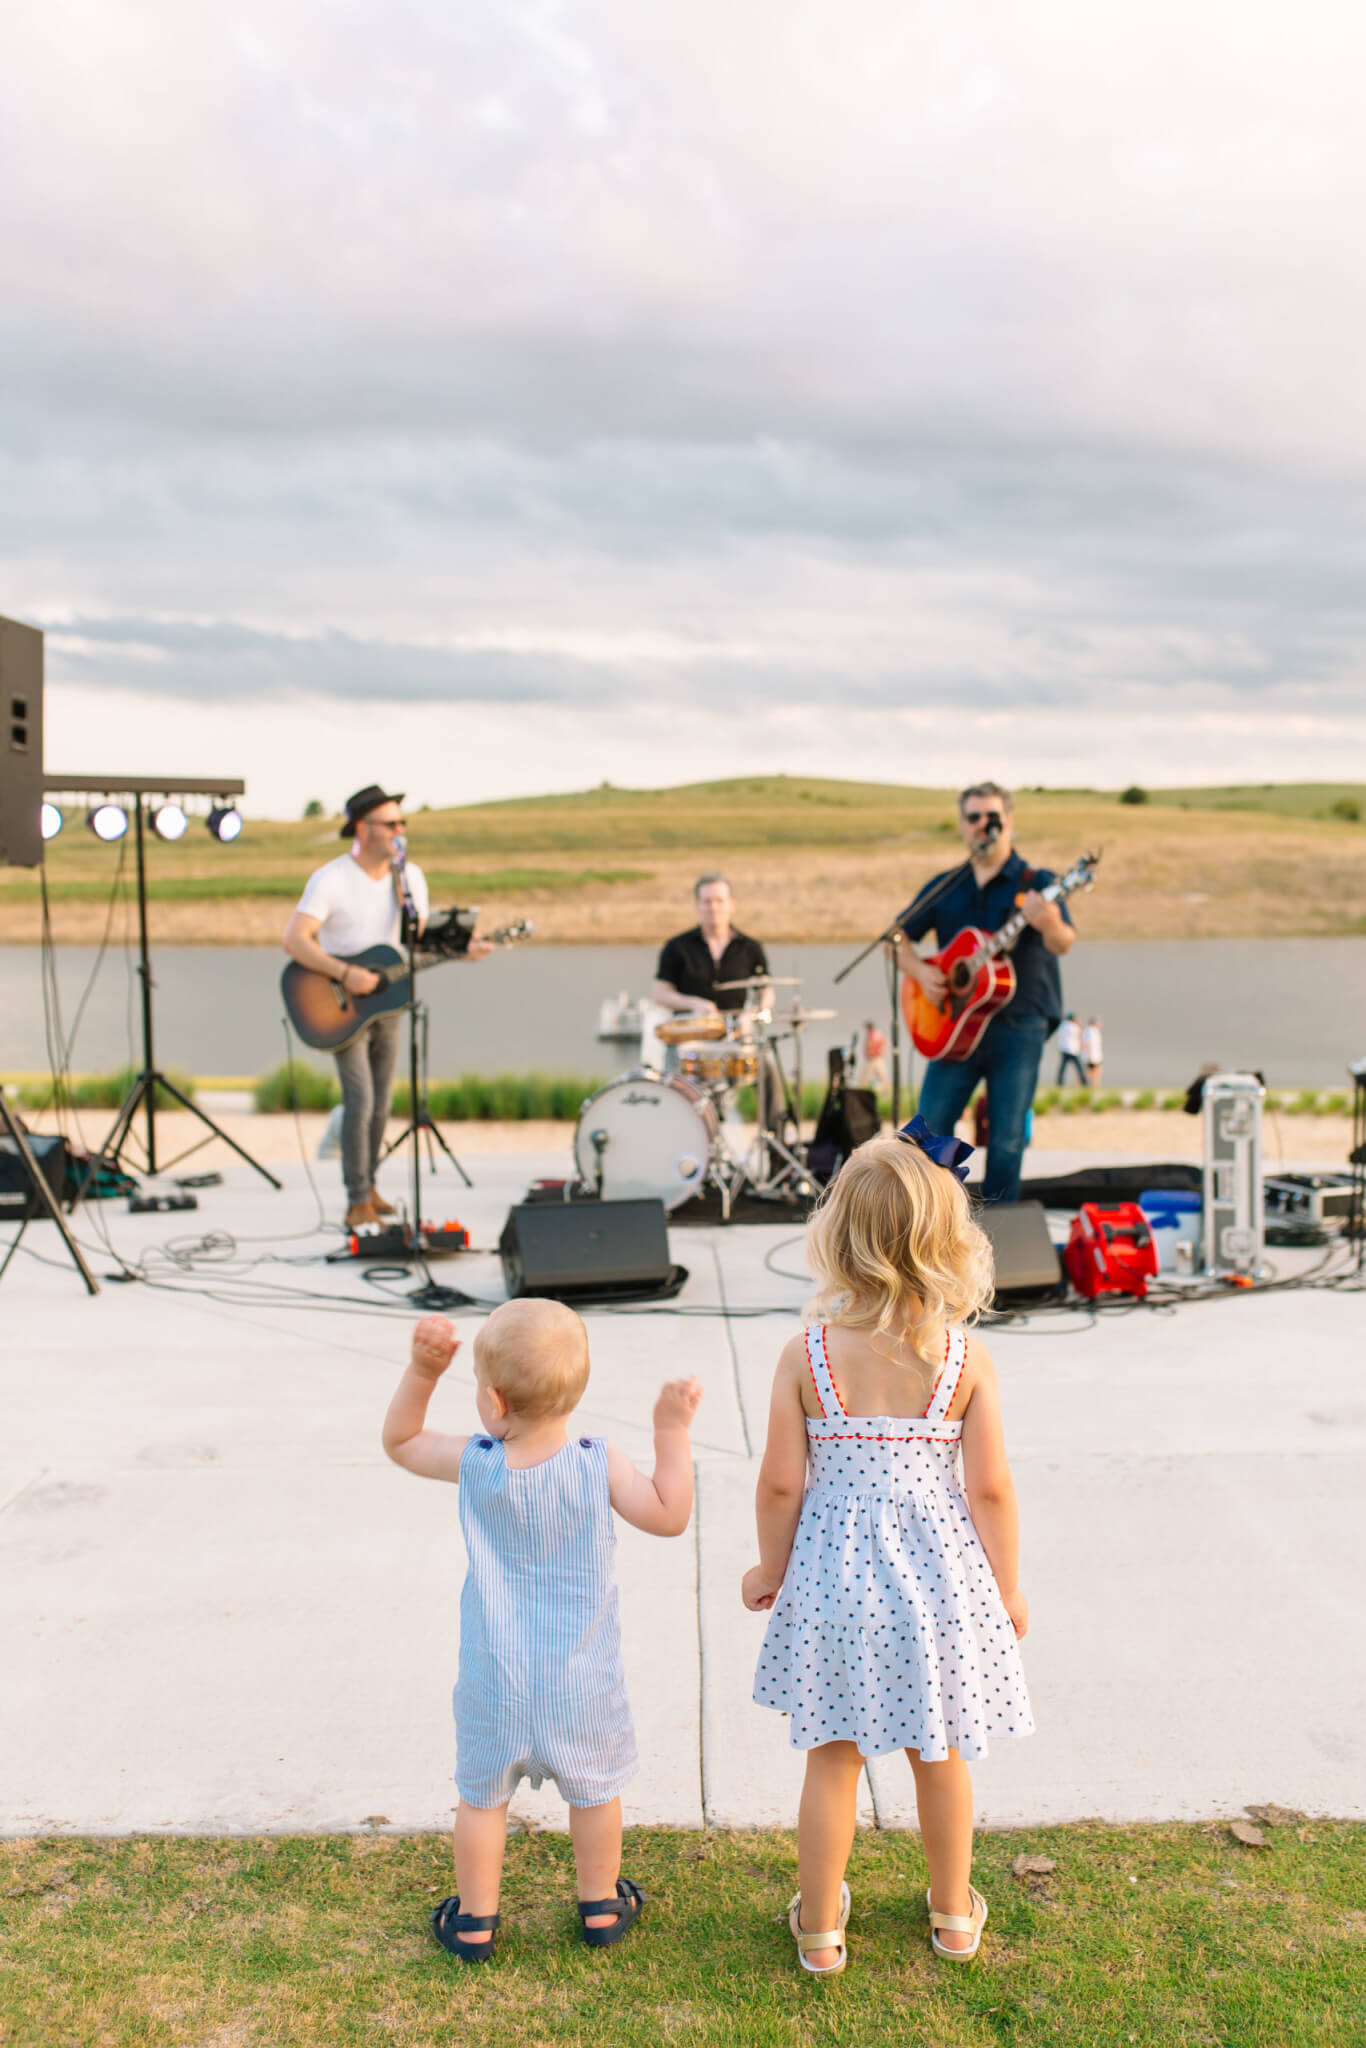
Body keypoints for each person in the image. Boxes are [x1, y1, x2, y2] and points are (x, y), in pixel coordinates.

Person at [743, 1123, 1032, 1975]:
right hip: (937, 1585)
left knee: (832, 1758)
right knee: (938, 1756)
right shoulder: (964, 1359)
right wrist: (1008, 1588)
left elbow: (780, 1485)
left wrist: (769, 1568)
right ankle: (953, 1915)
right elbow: (990, 1489)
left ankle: (820, 1927)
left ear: (837, 1237)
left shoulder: (806, 1356)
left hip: (834, 1582)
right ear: (947, 1239)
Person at [382, 1303, 703, 1963]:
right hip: (580, 1682)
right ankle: (600, 1906)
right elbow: (670, 1515)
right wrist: (670, 1431)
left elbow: (403, 1442)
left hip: (494, 1681)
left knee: (481, 1801)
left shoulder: (476, 1462)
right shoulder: (599, 1463)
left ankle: (474, 1921)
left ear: (494, 1401)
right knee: (595, 1793)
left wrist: (422, 1372)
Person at [282, 785, 491, 1229]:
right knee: (359, 1099)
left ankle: (370, 1184)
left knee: (382, 1102)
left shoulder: (409, 877)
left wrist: (461, 949)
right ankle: (355, 1197)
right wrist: (344, 973)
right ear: (362, 828)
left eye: (402, 823)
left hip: (389, 1000)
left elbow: (417, 944)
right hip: (341, 1004)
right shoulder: (332, 878)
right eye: (390, 823)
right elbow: (295, 940)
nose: (399, 830)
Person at [894, 781, 1076, 1204]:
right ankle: (934, 1220)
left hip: (1019, 1025)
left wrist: (1048, 921)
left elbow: (1063, 942)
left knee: (1007, 1138)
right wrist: (921, 972)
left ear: (1008, 822)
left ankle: (997, 1231)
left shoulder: (1037, 882)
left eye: (992, 816)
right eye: (974, 817)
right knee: (928, 1133)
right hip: (953, 1027)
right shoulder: (946, 885)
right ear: (962, 825)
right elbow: (896, 938)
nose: (983, 825)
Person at [652, 872, 771, 1019]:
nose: (713, 907)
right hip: (691, 1027)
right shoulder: (676, 947)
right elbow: (660, 994)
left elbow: (766, 992)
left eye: (719, 901)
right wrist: (694, 1004)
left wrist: (751, 1015)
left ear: (731, 904)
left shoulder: (750, 947)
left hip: (736, 1028)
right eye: (707, 901)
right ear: (697, 905)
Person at [1056, 1012, 1087, 1088]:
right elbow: (1080, 1034)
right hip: (1072, 1050)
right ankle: (1084, 1082)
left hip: (1064, 1049)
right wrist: (1078, 1024)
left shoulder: (1062, 1025)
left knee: (1062, 1068)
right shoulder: (1073, 1026)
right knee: (1079, 1067)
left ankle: (1060, 1082)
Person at [1081, 1016, 1103, 1088]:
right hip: (1092, 1056)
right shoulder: (1091, 1031)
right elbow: (1089, 1044)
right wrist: (1090, 1056)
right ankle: (1095, 1086)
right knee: (1093, 1072)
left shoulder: (1093, 1031)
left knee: (1093, 1072)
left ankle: (1095, 1085)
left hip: (1094, 1056)